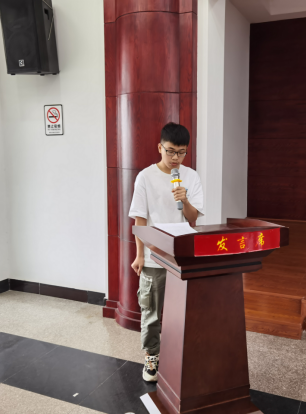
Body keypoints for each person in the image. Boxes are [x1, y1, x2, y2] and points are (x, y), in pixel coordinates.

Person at [128, 122, 204, 382]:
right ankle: (151, 357)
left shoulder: (191, 177)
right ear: (159, 147)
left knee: (183, 312)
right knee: (151, 311)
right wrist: (139, 255)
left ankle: (180, 355)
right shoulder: (145, 177)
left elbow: (192, 218)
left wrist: (185, 199)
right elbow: (139, 219)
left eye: (181, 152)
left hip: (182, 256)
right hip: (154, 256)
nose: (175, 158)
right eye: (171, 151)